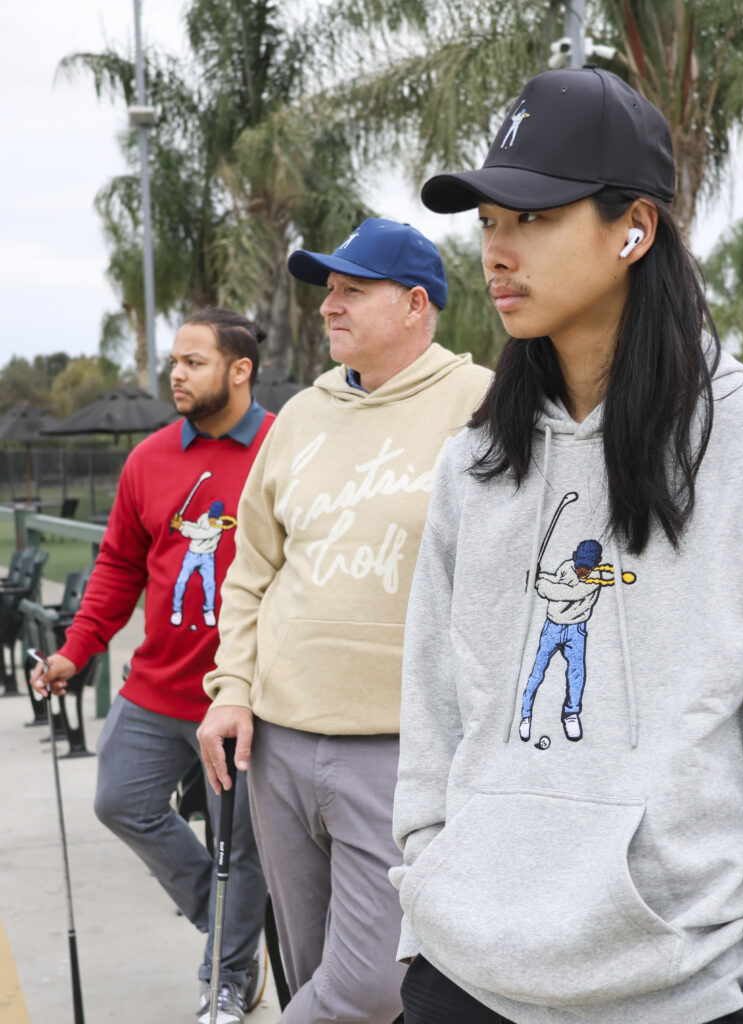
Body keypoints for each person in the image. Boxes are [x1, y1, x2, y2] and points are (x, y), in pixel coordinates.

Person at [390, 66, 743, 1024]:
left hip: (680, 991)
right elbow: (434, 708)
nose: (497, 252)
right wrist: (423, 904)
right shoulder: (474, 463)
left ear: (633, 228)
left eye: (533, 218)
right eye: (488, 221)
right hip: (460, 976)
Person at [196, 217, 492, 1024]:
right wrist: (231, 689)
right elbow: (253, 569)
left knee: (369, 986)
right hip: (279, 739)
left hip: (399, 748)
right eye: (329, 290)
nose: (330, 306)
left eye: (353, 291)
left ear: (415, 305)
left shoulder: (483, 402)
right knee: (308, 969)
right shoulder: (299, 416)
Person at [31, 309, 273, 1024]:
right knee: (119, 801)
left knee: (240, 850)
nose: (175, 373)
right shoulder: (150, 460)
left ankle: (227, 979)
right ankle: (231, 926)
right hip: (156, 686)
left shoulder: (283, 450)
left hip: (245, 698)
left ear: (239, 370)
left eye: (193, 361)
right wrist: (77, 650)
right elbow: (117, 567)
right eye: (174, 360)